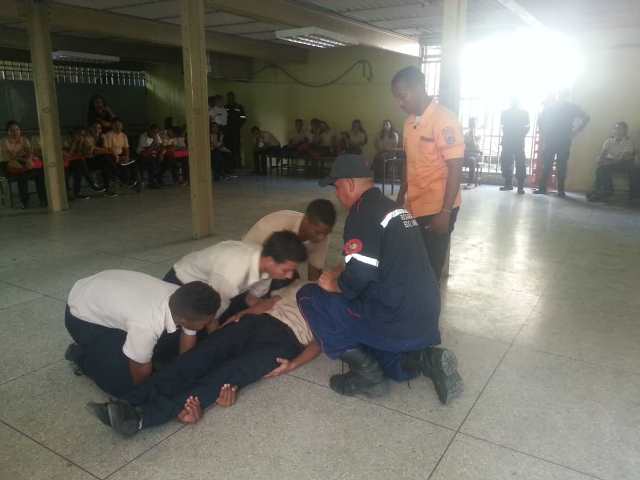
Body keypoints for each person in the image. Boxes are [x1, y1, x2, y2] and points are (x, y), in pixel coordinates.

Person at [297, 154, 463, 403]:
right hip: (423, 316)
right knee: (384, 357)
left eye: (337, 186)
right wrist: (344, 271)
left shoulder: (362, 213)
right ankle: (425, 359)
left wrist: (336, 285)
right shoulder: (395, 209)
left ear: (350, 184)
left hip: (395, 315)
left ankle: (368, 378)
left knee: (310, 296)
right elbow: (373, 261)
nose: (337, 193)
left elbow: (360, 275)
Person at [86, 280, 321, 437]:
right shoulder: (304, 284)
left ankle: (141, 418)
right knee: (201, 356)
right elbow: (266, 303)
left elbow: (321, 342)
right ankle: (126, 403)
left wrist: (294, 364)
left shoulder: (341, 304)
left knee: (228, 375)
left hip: (288, 341)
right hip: (255, 322)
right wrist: (240, 315)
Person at [64, 270, 220, 398]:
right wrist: (147, 393)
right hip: (81, 317)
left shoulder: (183, 298)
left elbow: (189, 337)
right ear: (185, 319)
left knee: (162, 346)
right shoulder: (147, 323)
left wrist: (184, 369)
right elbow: (140, 368)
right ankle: (79, 356)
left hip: (99, 289)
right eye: (207, 321)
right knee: (125, 386)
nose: (211, 322)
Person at [392, 66, 464, 281]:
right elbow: (410, 161)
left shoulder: (444, 120)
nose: (400, 103)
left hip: (437, 208)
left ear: (418, 88)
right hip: (413, 204)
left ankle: (427, 312)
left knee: (430, 268)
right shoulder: (409, 122)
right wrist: (401, 195)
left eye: (402, 96)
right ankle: (414, 308)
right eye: (397, 98)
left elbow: (455, 167)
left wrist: (445, 212)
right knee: (412, 261)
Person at [163, 231, 307, 327]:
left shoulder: (265, 263)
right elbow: (210, 316)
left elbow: (252, 299)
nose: (289, 275)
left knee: (240, 319)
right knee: (187, 330)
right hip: (181, 283)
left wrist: (271, 306)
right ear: (270, 261)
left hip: (216, 287)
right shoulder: (232, 274)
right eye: (286, 270)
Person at [243, 199, 337, 282]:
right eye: (317, 232)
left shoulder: (322, 235)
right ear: (306, 220)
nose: (321, 237)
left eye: (326, 233)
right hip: (251, 261)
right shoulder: (277, 225)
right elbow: (266, 261)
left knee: (292, 280)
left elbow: (315, 271)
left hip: (276, 263)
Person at [535, 90, 590, 197]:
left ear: (565, 96)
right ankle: (547, 189)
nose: (560, 96)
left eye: (562, 94)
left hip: (562, 139)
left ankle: (558, 190)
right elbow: (541, 119)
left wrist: (576, 131)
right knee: (549, 164)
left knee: (560, 165)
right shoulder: (554, 107)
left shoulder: (570, 107)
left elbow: (586, 118)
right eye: (560, 94)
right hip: (554, 138)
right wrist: (543, 131)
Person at [0, 120, 46, 208]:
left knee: (40, 173)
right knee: (22, 175)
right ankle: (25, 202)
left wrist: (28, 159)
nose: (15, 132)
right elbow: (9, 157)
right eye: (12, 130)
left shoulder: (24, 139)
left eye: (17, 129)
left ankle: (43, 199)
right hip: (8, 166)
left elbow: (29, 152)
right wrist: (23, 158)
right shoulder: (3, 142)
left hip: (23, 163)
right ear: (7, 132)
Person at [587, 121, 636, 202]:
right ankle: (602, 191)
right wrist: (600, 160)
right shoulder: (609, 141)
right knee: (600, 168)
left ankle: (601, 192)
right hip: (611, 162)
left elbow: (623, 158)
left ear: (625, 131)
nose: (617, 130)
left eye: (620, 129)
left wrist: (608, 162)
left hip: (624, 164)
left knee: (634, 168)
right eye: (616, 128)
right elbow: (603, 153)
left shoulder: (628, 142)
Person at [63, 127, 104, 200]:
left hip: (77, 161)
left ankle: (82, 190)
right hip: (67, 162)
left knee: (80, 168)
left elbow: (84, 153)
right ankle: (92, 185)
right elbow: (70, 154)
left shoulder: (82, 141)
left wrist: (83, 144)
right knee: (80, 167)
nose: (82, 136)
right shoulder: (67, 141)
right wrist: (76, 143)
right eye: (80, 135)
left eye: (83, 135)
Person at [500, 99, 530, 194]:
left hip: (513, 140)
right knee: (511, 162)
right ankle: (513, 185)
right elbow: (527, 127)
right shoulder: (523, 113)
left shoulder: (506, 113)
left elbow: (527, 126)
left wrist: (521, 135)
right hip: (515, 140)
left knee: (513, 162)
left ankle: (515, 185)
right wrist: (522, 134)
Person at [104, 118, 138, 190]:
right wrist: (117, 157)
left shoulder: (124, 135)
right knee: (113, 162)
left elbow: (126, 148)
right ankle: (121, 181)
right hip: (111, 155)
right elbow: (109, 149)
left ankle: (134, 181)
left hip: (121, 155)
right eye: (116, 125)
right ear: (112, 126)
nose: (118, 127)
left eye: (120, 125)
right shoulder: (108, 135)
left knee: (133, 162)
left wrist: (127, 156)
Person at [85, 122, 118, 198]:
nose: (97, 130)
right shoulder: (88, 137)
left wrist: (103, 150)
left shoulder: (102, 137)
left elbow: (106, 148)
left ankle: (107, 188)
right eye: (95, 128)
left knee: (106, 163)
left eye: (99, 128)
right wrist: (103, 150)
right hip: (89, 160)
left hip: (101, 159)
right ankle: (117, 174)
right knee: (107, 158)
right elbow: (92, 151)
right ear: (91, 129)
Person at [136, 124, 166, 188]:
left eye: (156, 132)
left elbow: (161, 146)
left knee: (167, 159)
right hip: (143, 154)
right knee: (151, 160)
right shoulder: (143, 136)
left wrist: (161, 153)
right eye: (154, 132)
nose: (155, 134)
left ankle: (158, 178)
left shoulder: (156, 135)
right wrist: (154, 142)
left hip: (153, 154)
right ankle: (151, 182)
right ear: (149, 131)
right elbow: (146, 151)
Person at [224, 92, 247, 169]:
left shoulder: (239, 107)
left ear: (234, 98)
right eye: (229, 97)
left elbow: (244, 117)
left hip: (236, 130)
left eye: (231, 97)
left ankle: (238, 165)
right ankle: (229, 166)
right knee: (228, 148)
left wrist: (238, 125)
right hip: (227, 131)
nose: (230, 99)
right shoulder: (225, 107)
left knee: (236, 148)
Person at [463, 117, 482, 186]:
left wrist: (473, 135)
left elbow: (474, 145)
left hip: (475, 154)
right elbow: (464, 143)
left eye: (473, 124)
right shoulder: (466, 133)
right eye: (470, 124)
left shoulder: (479, 133)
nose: (472, 125)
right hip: (466, 153)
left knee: (471, 160)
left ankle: (470, 181)